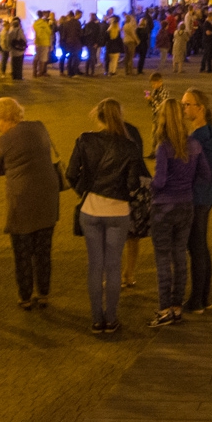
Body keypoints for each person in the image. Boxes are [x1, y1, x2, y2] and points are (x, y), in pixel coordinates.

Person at [67, 98, 150, 332]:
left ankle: (96, 319)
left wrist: (85, 192)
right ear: (119, 116)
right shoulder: (129, 146)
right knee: (113, 266)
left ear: (98, 116)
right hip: (118, 211)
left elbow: (71, 174)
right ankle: (111, 318)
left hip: (91, 210)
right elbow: (134, 183)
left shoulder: (85, 140)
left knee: (95, 265)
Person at [0, 97, 61, 310]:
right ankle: (44, 293)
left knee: (22, 252)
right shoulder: (39, 127)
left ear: (8, 118)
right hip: (48, 196)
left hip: (22, 201)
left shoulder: (4, 140)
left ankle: (25, 297)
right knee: (43, 250)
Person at [148, 99, 210, 328]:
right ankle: (176, 308)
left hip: (164, 207)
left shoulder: (164, 147)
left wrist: (149, 186)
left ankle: (164, 309)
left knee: (163, 259)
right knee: (179, 257)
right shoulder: (193, 144)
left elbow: (160, 181)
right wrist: (186, 182)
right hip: (186, 205)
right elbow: (205, 174)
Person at [181, 87, 212, 314]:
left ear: (200, 108)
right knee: (201, 246)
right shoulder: (208, 133)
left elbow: (193, 171)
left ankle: (196, 300)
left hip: (197, 198)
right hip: (205, 196)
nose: (184, 108)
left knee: (196, 247)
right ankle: (203, 296)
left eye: (188, 104)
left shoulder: (198, 138)